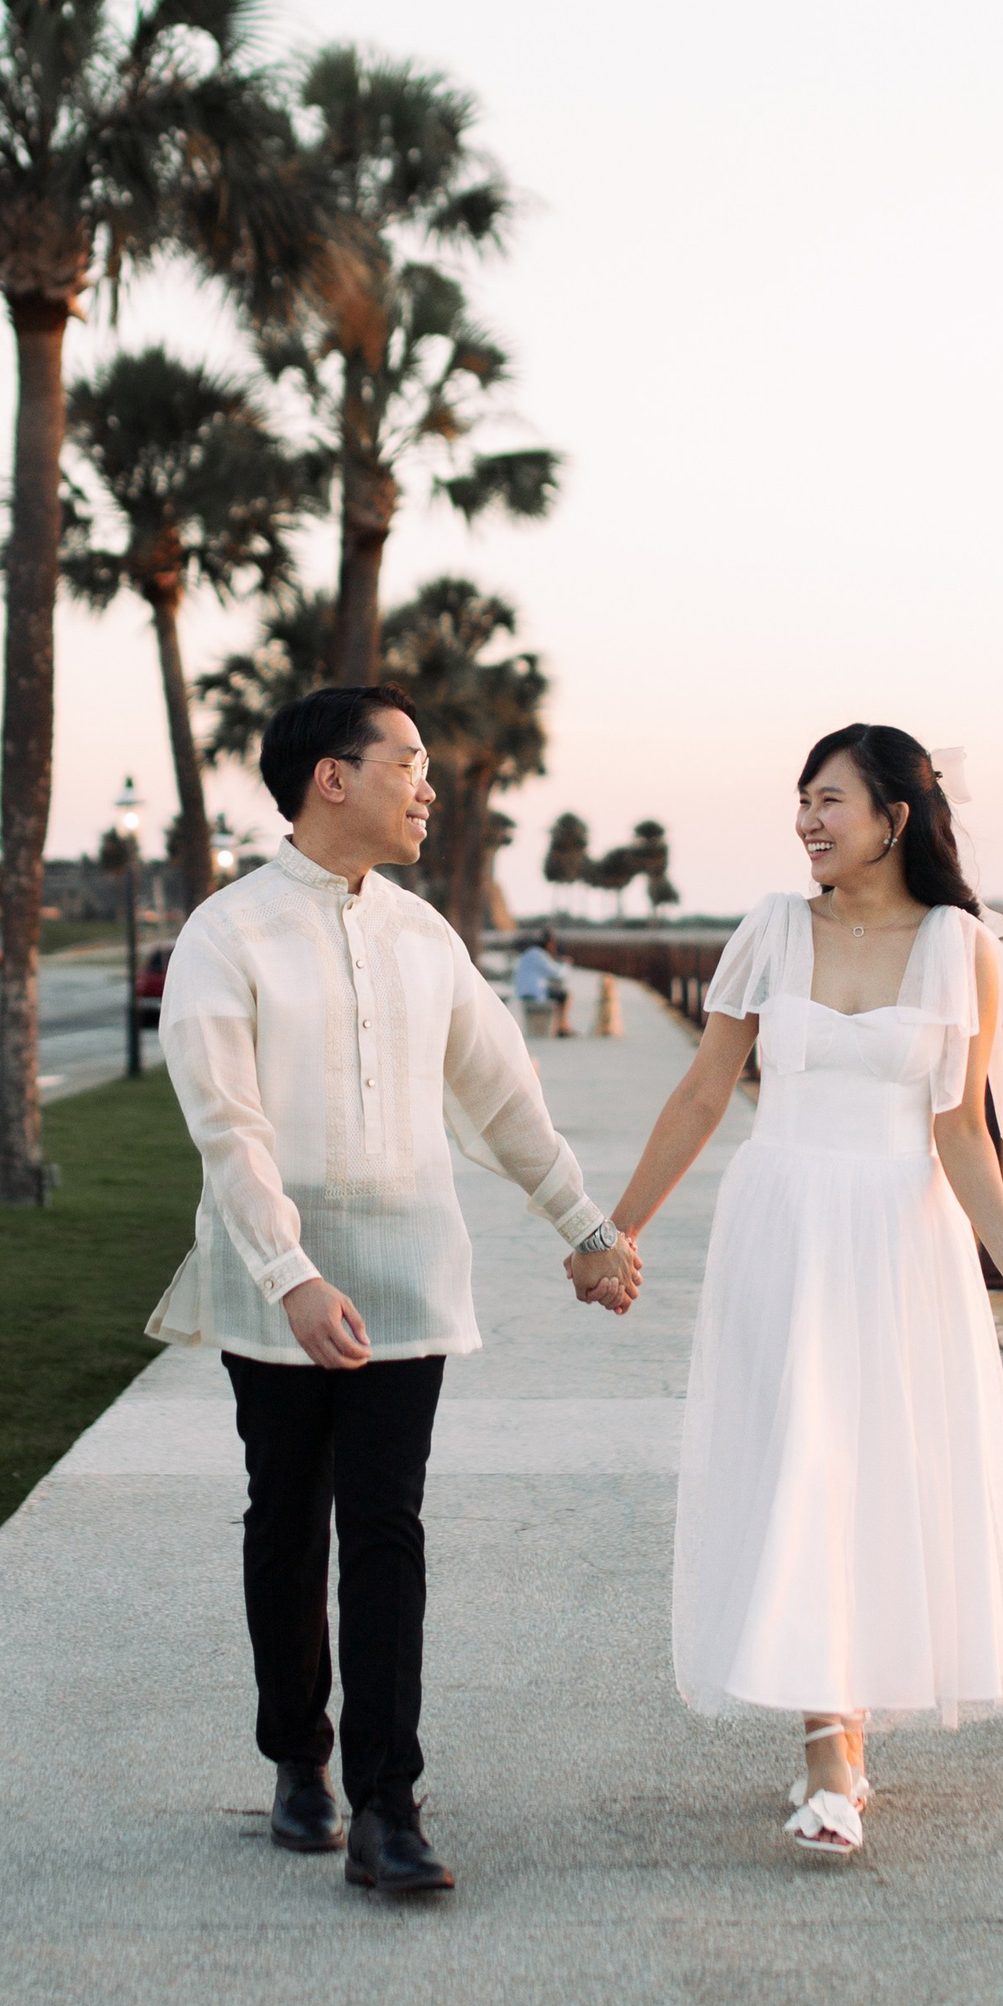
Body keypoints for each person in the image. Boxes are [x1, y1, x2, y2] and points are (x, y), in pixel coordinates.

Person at [150, 685, 641, 1898]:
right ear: (332, 776)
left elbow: (498, 1093)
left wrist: (584, 1223)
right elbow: (228, 1127)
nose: (429, 785)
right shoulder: (229, 932)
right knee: (286, 1514)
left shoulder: (425, 934)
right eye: (408, 761)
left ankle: (386, 1802)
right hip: (278, 1279)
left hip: (408, 1267)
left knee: (384, 1528)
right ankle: (296, 1756)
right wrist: (290, 1272)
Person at [601, 722, 1003, 1858]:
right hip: (785, 1220)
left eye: (829, 799)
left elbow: (959, 1124)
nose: (808, 820)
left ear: (894, 817)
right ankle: (824, 1750)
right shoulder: (770, 929)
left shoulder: (960, 944)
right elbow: (704, 1092)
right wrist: (616, 1225)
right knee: (800, 1459)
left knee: (878, 1469)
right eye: (802, 800)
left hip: (902, 1231)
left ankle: (850, 1727)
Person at [510, 930, 568, 1032]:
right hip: (534, 993)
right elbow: (557, 973)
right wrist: (566, 964)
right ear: (548, 943)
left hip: (523, 991)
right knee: (564, 995)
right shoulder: (539, 955)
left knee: (557, 993)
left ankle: (561, 1026)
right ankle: (562, 1027)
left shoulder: (530, 953)